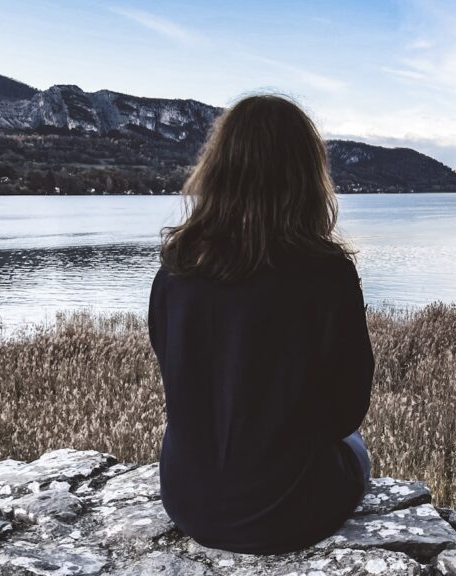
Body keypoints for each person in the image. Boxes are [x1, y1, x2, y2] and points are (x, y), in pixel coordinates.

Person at [147, 94, 374, 555]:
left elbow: (176, 375)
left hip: (188, 501)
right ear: (307, 175)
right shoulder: (328, 272)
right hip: (288, 512)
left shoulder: (176, 268)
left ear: (216, 169)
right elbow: (346, 412)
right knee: (357, 449)